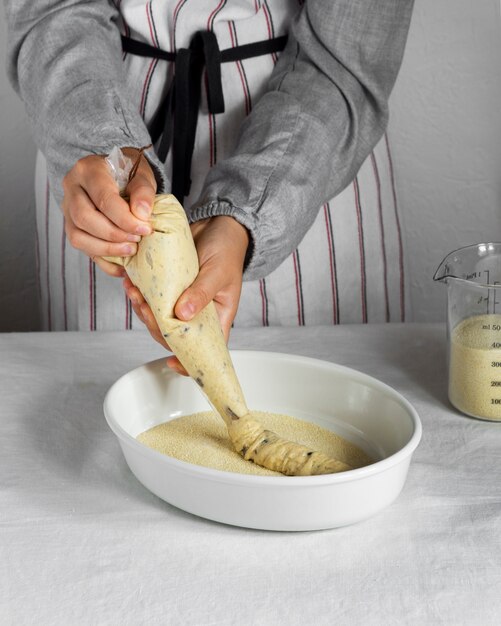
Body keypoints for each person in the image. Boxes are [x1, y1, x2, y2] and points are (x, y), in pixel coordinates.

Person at [5, 0, 414, 372]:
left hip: (309, 141)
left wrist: (248, 214)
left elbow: (344, 56)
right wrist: (106, 150)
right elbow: (50, 11)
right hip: (97, 107)